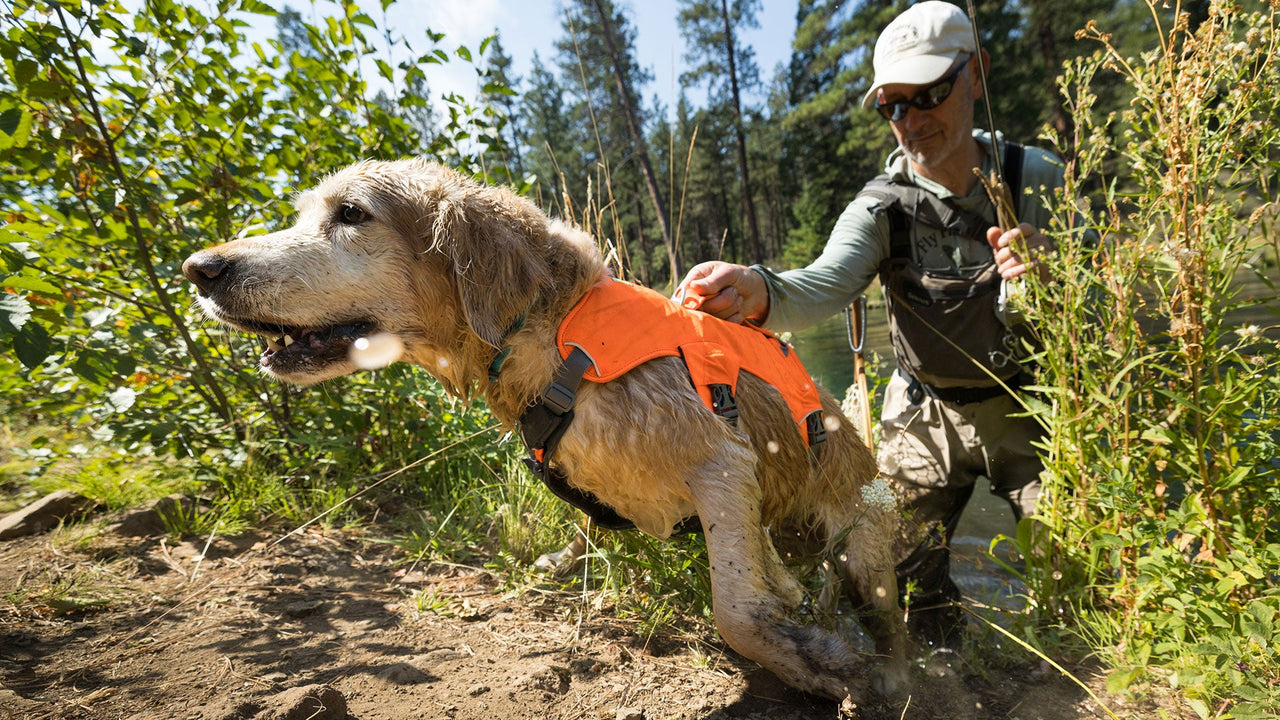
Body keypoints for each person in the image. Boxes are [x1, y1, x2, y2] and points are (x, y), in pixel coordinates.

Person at [676, 0, 1064, 651]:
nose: (910, 122)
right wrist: (756, 289)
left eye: (929, 94)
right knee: (906, 579)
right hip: (924, 416)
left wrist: (1058, 281)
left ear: (978, 73)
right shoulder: (881, 207)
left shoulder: (1039, 180)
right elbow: (820, 284)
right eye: (893, 106)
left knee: (1072, 569)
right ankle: (942, 666)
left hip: (1030, 409)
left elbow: (1118, 310)